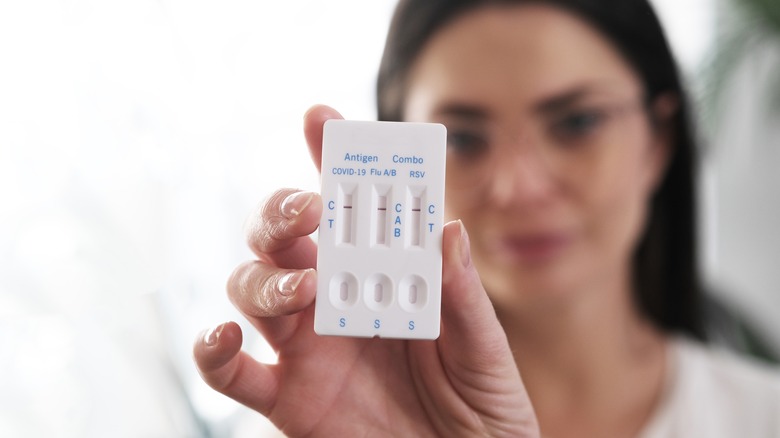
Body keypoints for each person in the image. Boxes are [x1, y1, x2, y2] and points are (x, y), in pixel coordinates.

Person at [193, 0, 780, 436]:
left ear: (659, 142)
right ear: (399, 162)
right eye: (463, 137)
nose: (517, 188)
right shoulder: (320, 417)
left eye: (577, 123)